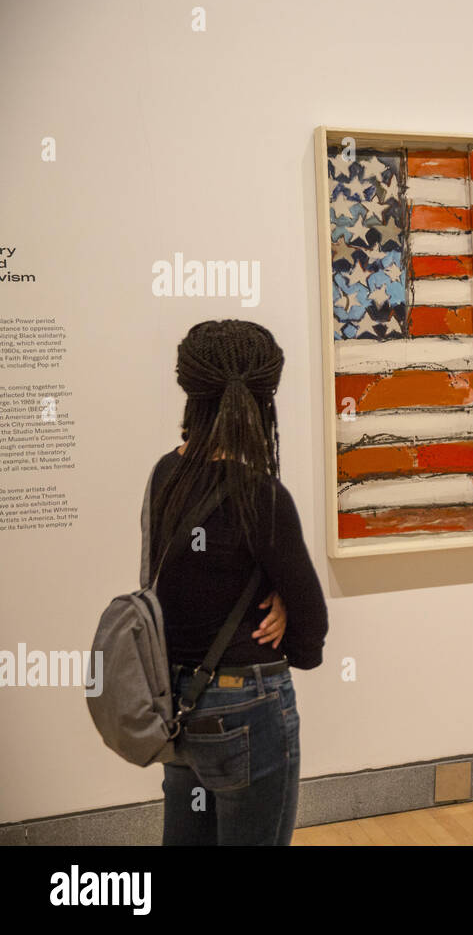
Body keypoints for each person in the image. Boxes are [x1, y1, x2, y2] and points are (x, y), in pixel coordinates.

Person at [144, 320, 328, 845]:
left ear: (190, 392)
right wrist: (287, 611)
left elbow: (183, 588)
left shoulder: (163, 477)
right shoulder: (262, 495)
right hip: (250, 706)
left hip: (178, 702)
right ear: (264, 399)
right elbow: (311, 639)